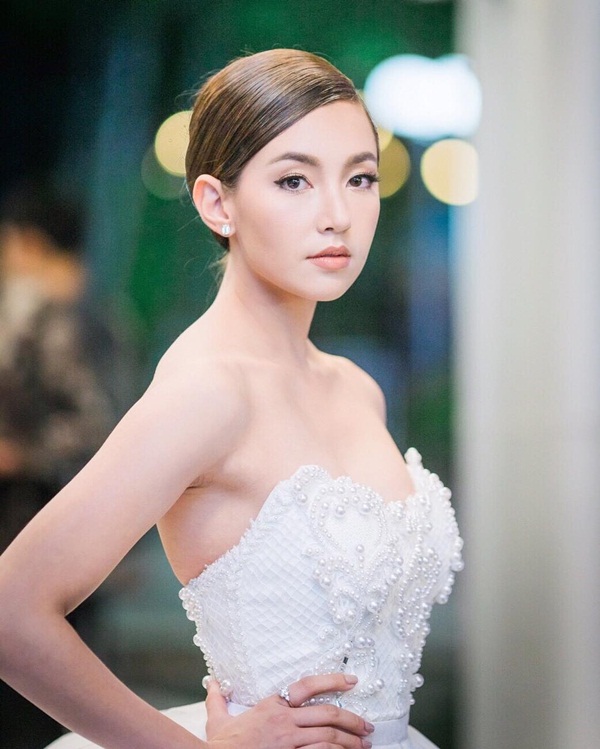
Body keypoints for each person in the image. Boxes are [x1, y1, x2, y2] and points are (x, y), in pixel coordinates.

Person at [0, 49, 462, 749]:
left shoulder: (356, 387)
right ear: (218, 203)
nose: (338, 215)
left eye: (360, 177)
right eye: (294, 180)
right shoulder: (210, 391)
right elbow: (12, 610)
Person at [0, 182, 134, 748]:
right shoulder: (86, 313)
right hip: (49, 514)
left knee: (32, 687)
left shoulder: (67, 319)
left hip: (48, 515)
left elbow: (98, 426)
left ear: (30, 242)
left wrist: (18, 452)